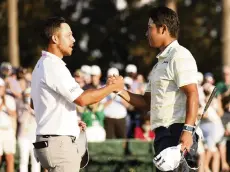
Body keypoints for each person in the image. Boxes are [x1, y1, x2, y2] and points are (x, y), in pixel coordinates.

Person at [109, 7, 199, 171]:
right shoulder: (158, 65)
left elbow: (192, 93)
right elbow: (145, 103)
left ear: (163, 29)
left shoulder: (179, 55)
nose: (146, 33)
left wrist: (187, 131)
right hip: (163, 134)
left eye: (149, 28)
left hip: (177, 132)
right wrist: (119, 90)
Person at [31, 17, 124, 172]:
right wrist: (112, 87)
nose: (73, 39)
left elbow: (34, 104)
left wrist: (67, 122)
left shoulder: (41, 65)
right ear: (55, 38)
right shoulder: (54, 66)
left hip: (47, 143)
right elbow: (82, 99)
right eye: (68, 35)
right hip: (59, 146)